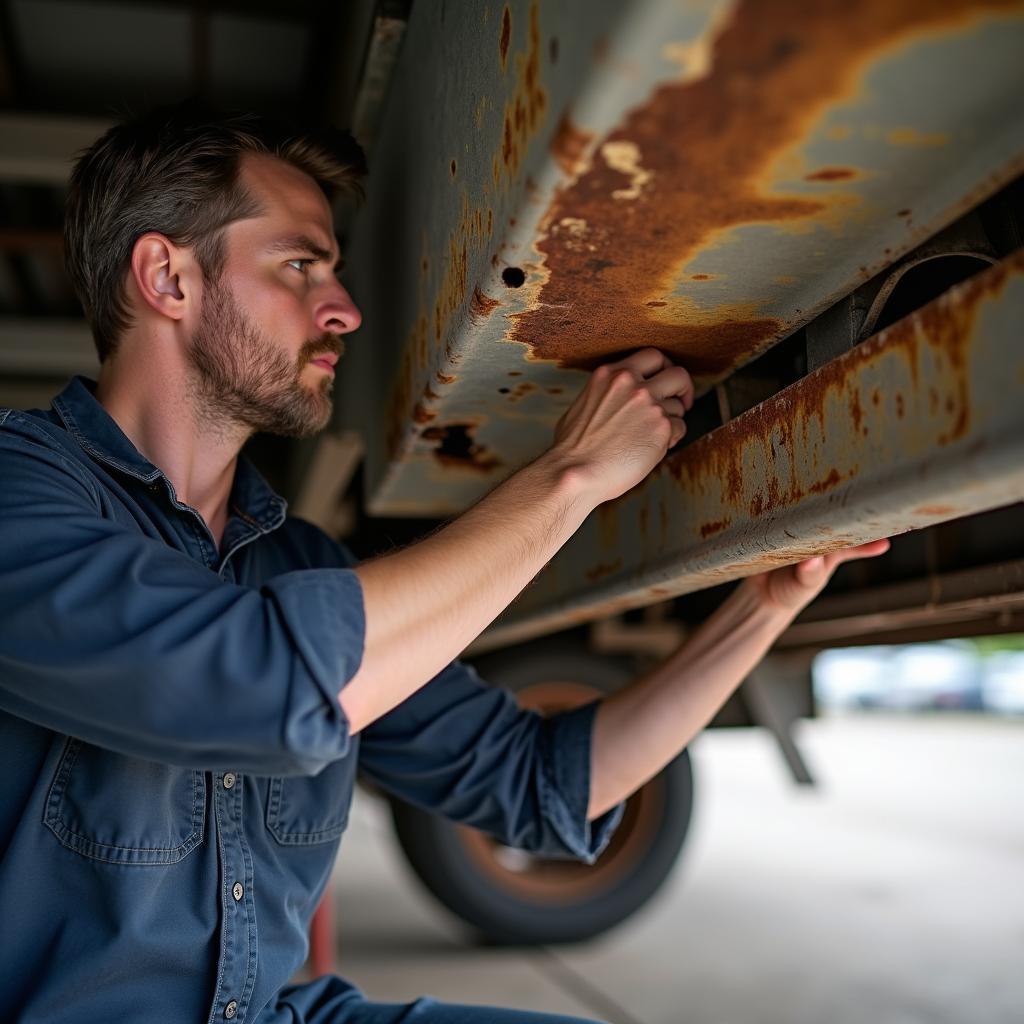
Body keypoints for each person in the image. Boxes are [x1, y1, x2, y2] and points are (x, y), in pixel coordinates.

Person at [0, 101, 888, 1024]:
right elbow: (257, 687)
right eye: (299, 266)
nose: (341, 311)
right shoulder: (19, 495)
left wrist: (766, 605)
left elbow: (544, 786)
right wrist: (570, 480)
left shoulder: (295, 562)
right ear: (167, 278)